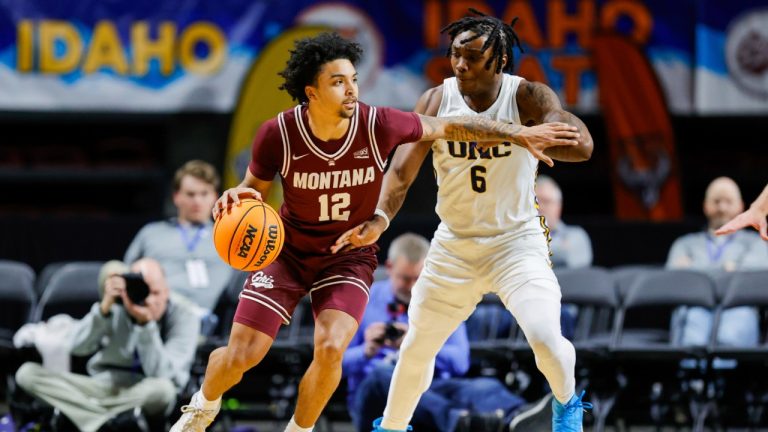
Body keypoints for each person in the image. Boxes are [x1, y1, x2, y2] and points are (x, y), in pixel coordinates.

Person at [170, 32, 579, 432]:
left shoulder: (376, 122)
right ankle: (203, 407)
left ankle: (300, 429)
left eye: (353, 80)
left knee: (331, 348)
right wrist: (236, 198)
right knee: (244, 354)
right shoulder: (278, 132)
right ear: (311, 92)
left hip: (348, 253)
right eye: (338, 82)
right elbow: (253, 192)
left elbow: (448, 128)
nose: (351, 90)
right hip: (288, 253)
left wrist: (516, 131)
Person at [331, 11, 594, 432]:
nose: (459, 65)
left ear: (500, 61)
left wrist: (558, 125)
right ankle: (392, 427)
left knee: (546, 338)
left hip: (515, 243)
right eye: (455, 53)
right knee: (416, 347)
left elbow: (583, 149)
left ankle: (566, 408)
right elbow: (400, 172)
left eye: (471, 57)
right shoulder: (436, 100)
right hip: (454, 246)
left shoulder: (527, 96)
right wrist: (380, 217)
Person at [344, 233, 547, 432]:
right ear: (389, 267)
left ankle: (521, 418)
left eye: (418, 278)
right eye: (405, 279)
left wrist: (420, 343)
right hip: (374, 394)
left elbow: (460, 362)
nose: (413, 287)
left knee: (484, 386)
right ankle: (457, 421)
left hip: (431, 389)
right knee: (383, 376)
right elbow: (334, 363)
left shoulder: (441, 300)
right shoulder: (363, 299)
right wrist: (367, 350)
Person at [14, 258, 200, 432]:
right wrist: (103, 310)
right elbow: (76, 347)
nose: (149, 300)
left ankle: (83, 414)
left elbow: (165, 375)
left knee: (164, 390)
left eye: (156, 293)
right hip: (101, 386)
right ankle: (104, 422)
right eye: (143, 292)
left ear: (167, 290)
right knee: (26, 373)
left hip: (143, 391)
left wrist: (146, 325)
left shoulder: (185, 316)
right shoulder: (119, 302)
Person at [666, 176, 768, 346]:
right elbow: (673, 279)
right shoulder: (685, 244)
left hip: (737, 308)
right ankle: (691, 373)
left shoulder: (756, 243)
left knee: (733, 329)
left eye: (728, 201)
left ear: (741, 206)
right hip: (694, 306)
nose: (722, 207)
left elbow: (756, 278)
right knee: (693, 329)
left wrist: (694, 270)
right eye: (716, 201)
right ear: (705, 206)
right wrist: (729, 269)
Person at [124, 160, 233, 315]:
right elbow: (127, 274)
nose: (197, 201)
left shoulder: (230, 235)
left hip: (210, 318)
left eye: (204, 194)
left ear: (215, 197)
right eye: (190, 194)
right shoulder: (151, 233)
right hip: (158, 314)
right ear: (176, 197)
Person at [535, 175, 593, 268]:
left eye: (546, 201)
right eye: (535, 202)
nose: (540, 208)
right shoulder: (515, 234)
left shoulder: (576, 235)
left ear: (558, 206)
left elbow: (568, 256)